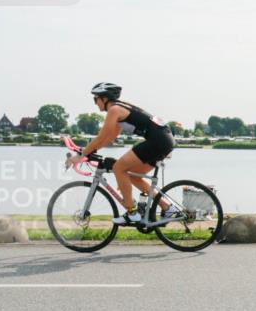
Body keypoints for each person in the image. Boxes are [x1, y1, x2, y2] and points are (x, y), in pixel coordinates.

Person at [67, 82, 180, 225]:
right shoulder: (119, 108)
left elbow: (101, 137)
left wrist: (81, 155)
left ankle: (132, 213)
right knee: (133, 175)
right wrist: (89, 151)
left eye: (96, 99)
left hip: (158, 140)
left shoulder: (114, 110)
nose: (95, 103)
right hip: (164, 139)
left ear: (105, 98)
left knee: (119, 168)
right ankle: (167, 208)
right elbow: (110, 137)